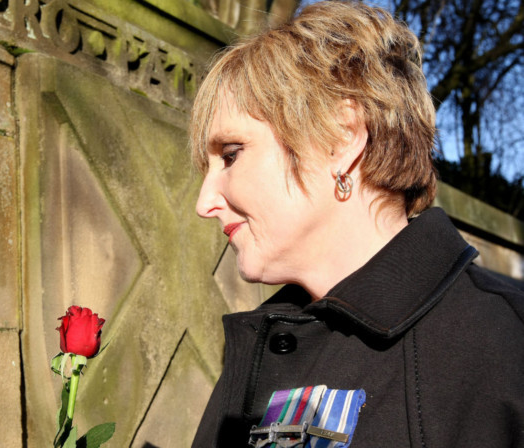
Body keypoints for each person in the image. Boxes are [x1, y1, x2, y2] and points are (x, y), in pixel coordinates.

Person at [189, 1, 524, 447]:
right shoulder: (262, 342)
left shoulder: (506, 340)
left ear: (341, 138)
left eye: (231, 154)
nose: (204, 202)